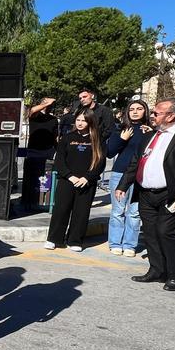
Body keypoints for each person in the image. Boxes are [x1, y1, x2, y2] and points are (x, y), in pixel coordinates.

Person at [116, 97, 175, 291]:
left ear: (171, 115)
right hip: (146, 193)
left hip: (172, 194)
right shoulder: (151, 135)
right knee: (150, 232)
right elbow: (136, 162)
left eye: (157, 113)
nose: (152, 116)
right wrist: (123, 185)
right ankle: (157, 270)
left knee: (166, 232)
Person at [45, 108, 106, 252]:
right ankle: (54, 239)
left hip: (86, 182)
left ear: (90, 121)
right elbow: (59, 161)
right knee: (61, 210)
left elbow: (100, 163)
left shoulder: (98, 140)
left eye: (83, 120)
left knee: (81, 212)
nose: (80, 123)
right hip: (67, 180)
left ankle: (75, 240)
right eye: (78, 120)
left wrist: (87, 177)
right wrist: (69, 176)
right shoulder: (67, 138)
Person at [106, 100, 151, 256]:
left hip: (141, 175)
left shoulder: (150, 130)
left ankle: (130, 245)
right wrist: (122, 139)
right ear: (127, 112)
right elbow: (109, 152)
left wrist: (150, 135)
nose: (135, 112)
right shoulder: (120, 128)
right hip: (119, 173)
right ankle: (115, 243)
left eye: (139, 109)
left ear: (145, 111)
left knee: (134, 212)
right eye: (132, 109)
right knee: (118, 211)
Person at [21, 97, 59, 212]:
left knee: (45, 177)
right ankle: (29, 201)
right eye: (48, 104)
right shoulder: (35, 116)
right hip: (34, 151)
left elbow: (55, 135)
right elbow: (30, 111)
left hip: (48, 151)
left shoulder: (53, 119)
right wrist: (45, 104)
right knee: (32, 178)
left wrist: (58, 149)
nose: (50, 106)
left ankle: (43, 202)